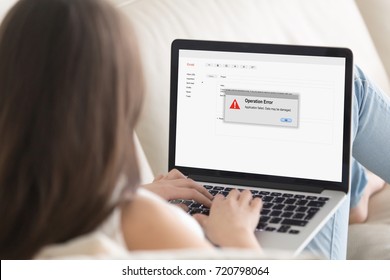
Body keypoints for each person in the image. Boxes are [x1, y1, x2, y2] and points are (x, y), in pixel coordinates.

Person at [0, 0, 388, 260]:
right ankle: (353, 188)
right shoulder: (143, 221)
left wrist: (125, 198)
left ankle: (352, 189)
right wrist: (235, 235)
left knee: (319, 151)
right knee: (346, 87)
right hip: (252, 247)